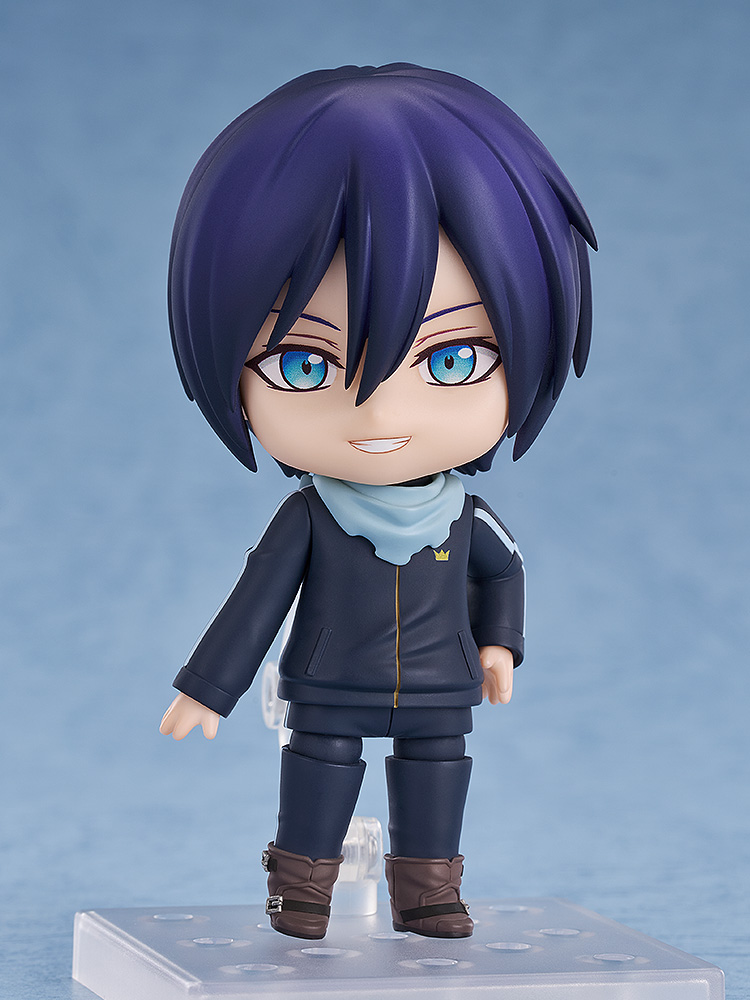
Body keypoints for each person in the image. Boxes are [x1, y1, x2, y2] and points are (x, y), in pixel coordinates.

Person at [159, 64, 596, 941]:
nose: (380, 417)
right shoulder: (309, 518)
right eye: (304, 365)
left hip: (439, 685)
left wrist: (500, 646)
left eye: (453, 359)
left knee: (437, 774)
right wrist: (208, 690)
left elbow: (503, 574)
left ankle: (429, 891)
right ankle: (300, 890)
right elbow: (255, 603)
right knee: (318, 771)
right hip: (327, 685)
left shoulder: (466, 517)